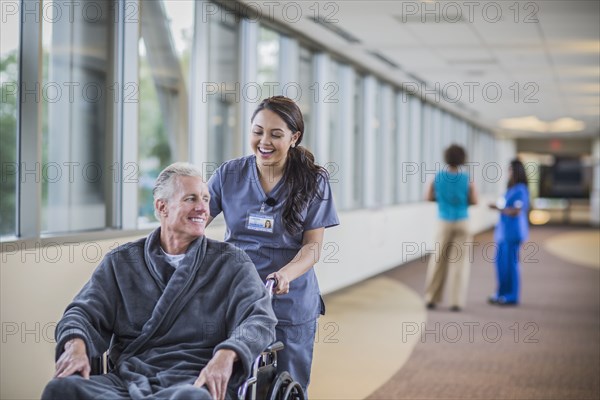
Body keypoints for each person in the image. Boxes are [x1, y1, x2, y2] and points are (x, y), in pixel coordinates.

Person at [41, 163, 277, 400]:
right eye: (191, 199)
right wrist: (75, 346)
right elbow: (82, 313)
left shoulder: (231, 262)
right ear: (162, 207)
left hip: (196, 378)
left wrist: (227, 354)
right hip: (129, 377)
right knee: (60, 389)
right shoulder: (122, 261)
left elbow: (261, 319)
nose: (202, 208)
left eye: (205, 199)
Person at [207, 96, 339, 393]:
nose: (264, 141)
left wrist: (285, 275)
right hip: (237, 296)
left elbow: (312, 247)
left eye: (276, 134)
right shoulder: (229, 174)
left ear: (294, 138)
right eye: (257, 131)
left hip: (288, 302)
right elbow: (195, 218)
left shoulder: (313, 181)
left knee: (288, 385)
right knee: (235, 382)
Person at [424, 144, 477, 312]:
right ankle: (456, 302)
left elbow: (428, 197)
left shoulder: (437, 177)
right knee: (459, 263)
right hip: (463, 221)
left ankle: (431, 297)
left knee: (438, 260)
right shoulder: (467, 179)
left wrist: (442, 199)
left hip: (443, 221)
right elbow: (475, 200)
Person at [488, 159, 530, 306]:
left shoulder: (521, 189)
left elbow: (516, 211)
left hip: (513, 233)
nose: (509, 173)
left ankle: (512, 295)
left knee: (511, 265)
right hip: (503, 233)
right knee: (500, 264)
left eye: (511, 170)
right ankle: (501, 293)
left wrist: (499, 209)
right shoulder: (510, 189)